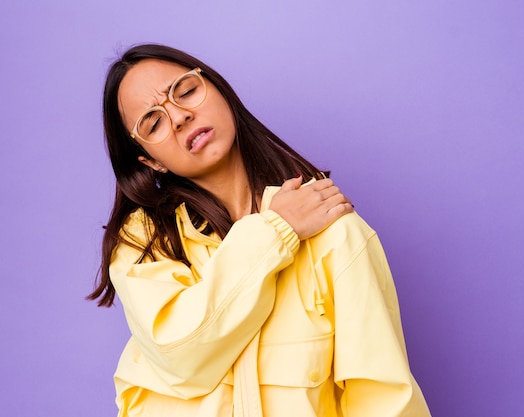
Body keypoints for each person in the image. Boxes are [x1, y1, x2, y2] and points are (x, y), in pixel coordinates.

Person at [89, 43, 431, 417]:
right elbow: (180, 354)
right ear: (151, 161)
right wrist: (275, 231)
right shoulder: (143, 243)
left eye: (185, 91)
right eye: (152, 122)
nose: (179, 116)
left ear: (218, 89)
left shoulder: (333, 232)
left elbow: (382, 398)